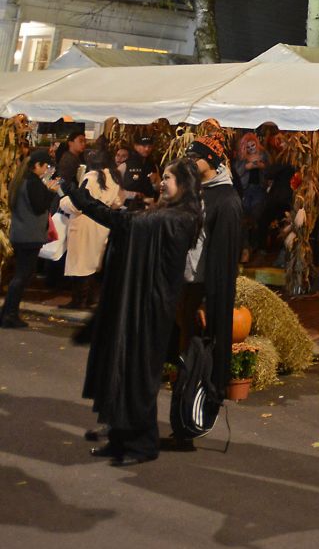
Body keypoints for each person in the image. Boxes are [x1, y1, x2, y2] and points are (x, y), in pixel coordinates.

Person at [68, 158, 205, 465]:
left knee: (139, 375)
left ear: (185, 183)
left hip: (152, 308)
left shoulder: (179, 218)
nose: (162, 182)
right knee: (122, 367)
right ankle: (118, 440)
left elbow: (125, 223)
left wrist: (83, 200)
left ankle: (142, 445)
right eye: (164, 176)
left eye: (169, 177)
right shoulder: (165, 213)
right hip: (137, 301)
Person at [183, 121, 245, 406]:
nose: (190, 162)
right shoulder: (198, 191)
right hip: (188, 281)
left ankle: (205, 393)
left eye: (195, 158)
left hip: (205, 286)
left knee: (202, 346)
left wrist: (209, 299)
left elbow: (224, 257)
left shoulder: (226, 200)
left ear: (210, 161)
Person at [2, 148, 60, 329]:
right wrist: (50, 192)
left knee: (22, 274)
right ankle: (10, 314)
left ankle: (7, 312)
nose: (46, 170)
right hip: (29, 235)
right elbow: (38, 206)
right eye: (45, 166)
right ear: (37, 165)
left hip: (21, 234)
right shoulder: (33, 182)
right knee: (23, 275)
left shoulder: (21, 181)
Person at [64, 146, 122, 308]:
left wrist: (64, 201)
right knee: (95, 262)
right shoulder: (115, 177)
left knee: (81, 263)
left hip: (85, 222)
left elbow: (80, 202)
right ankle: (92, 297)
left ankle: (79, 300)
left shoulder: (91, 176)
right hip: (103, 222)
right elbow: (118, 202)